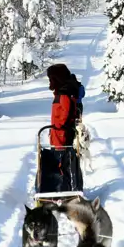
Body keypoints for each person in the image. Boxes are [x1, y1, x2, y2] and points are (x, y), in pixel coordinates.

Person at [45, 63, 83, 192]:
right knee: (65, 161)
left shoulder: (63, 93)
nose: (49, 81)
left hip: (61, 134)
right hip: (58, 133)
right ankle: (65, 187)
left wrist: (58, 126)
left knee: (62, 161)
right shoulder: (64, 91)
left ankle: (64, 189)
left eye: (50, 78)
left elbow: (65, 112)